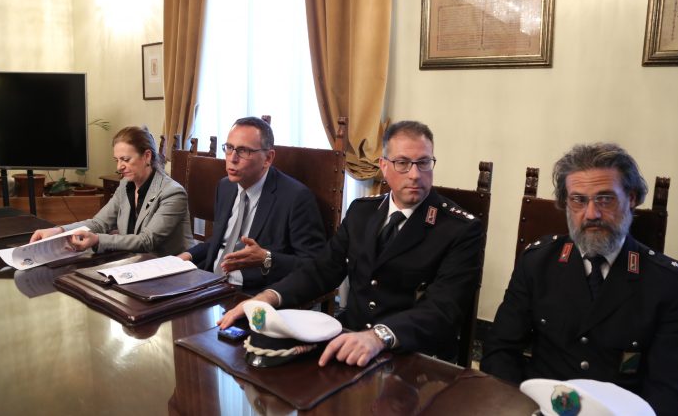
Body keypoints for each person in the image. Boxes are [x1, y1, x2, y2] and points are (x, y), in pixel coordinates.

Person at [219, 120, 484, 366]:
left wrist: (379, 336)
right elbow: (322, 270)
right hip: (351, 339)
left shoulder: (460, 228)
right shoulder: (362, 212)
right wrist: (267, 298)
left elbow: (442, 310)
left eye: (424, 163)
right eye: (402, 163)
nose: (414, 174)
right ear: (384, 166)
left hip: (413, 355)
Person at [480, 143, 678, 416]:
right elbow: (500, 351)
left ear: (631, 199)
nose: (592, 214)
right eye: (578, 200)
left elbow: (673, 391)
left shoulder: (668, 283)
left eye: (605, 199)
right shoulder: (537, 263)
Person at [178, 116, 325, 292]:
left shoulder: (296, 198)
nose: (232, 158)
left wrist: (266, 258)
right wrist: (186, 256)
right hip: (209, 280)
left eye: (243, 151)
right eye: (229, 148)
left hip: (252, 292)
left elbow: (315, 264)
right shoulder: (225, 186)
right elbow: (221, 241)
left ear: (268, 158)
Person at [30, 126, 193, 256]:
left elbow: (147, 241)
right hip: (135, 263)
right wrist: (58, 231)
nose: (119, 167)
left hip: (170, 269)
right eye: (117, 160)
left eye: (125, 159)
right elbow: (99, 223)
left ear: (147, 156)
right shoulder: (125, 185)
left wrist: (97, 240)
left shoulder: (172, 193)